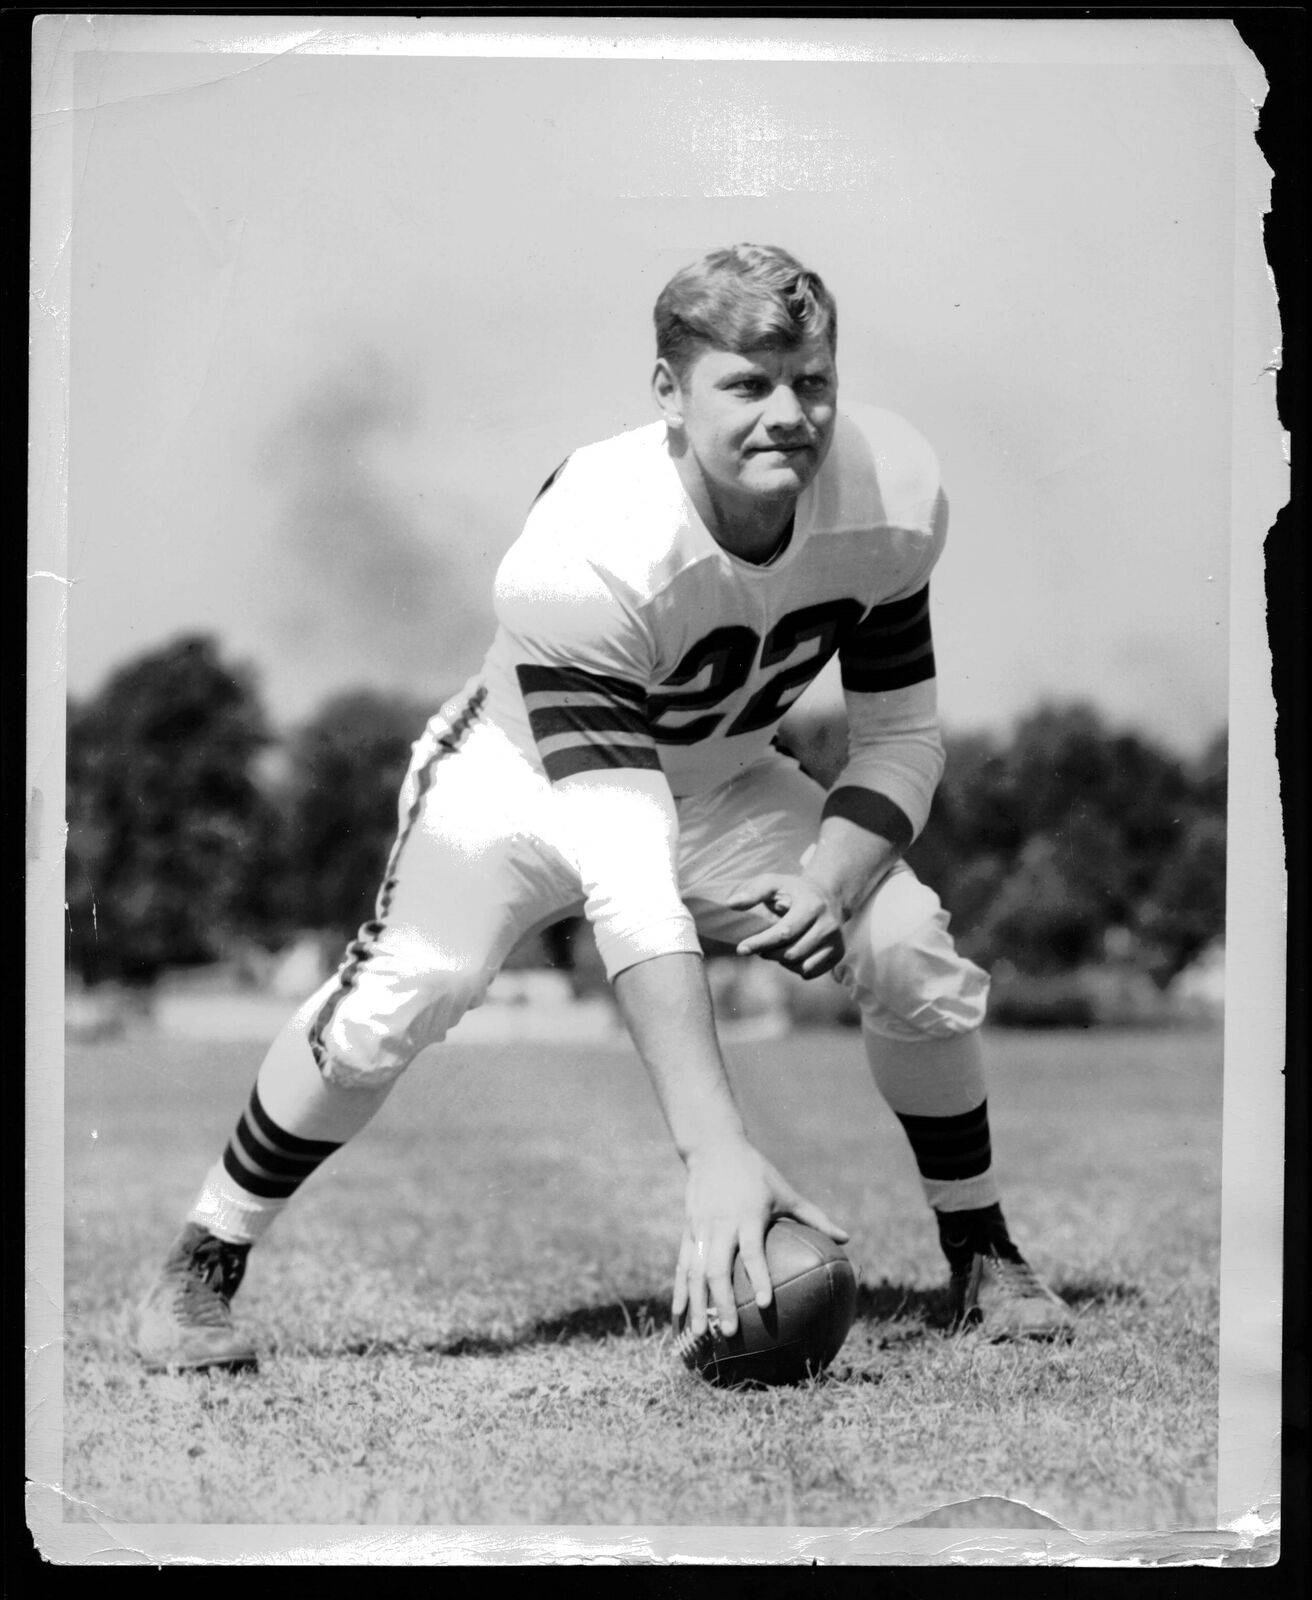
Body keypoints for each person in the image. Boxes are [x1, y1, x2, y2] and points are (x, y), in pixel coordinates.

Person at [136, 244, 1074, 1373]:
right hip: (518, 780)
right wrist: (715, 1148)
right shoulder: (590, 541)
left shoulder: (889, 492)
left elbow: (899, 736)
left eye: (812, 382)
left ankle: (981, 1250)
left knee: (906, 939)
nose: (790, 416)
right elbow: (627, 881)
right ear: (669, 394)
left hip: (723, 777)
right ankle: (204, 1259)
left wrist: (828, 880)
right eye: (748, 384)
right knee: (409, 990)